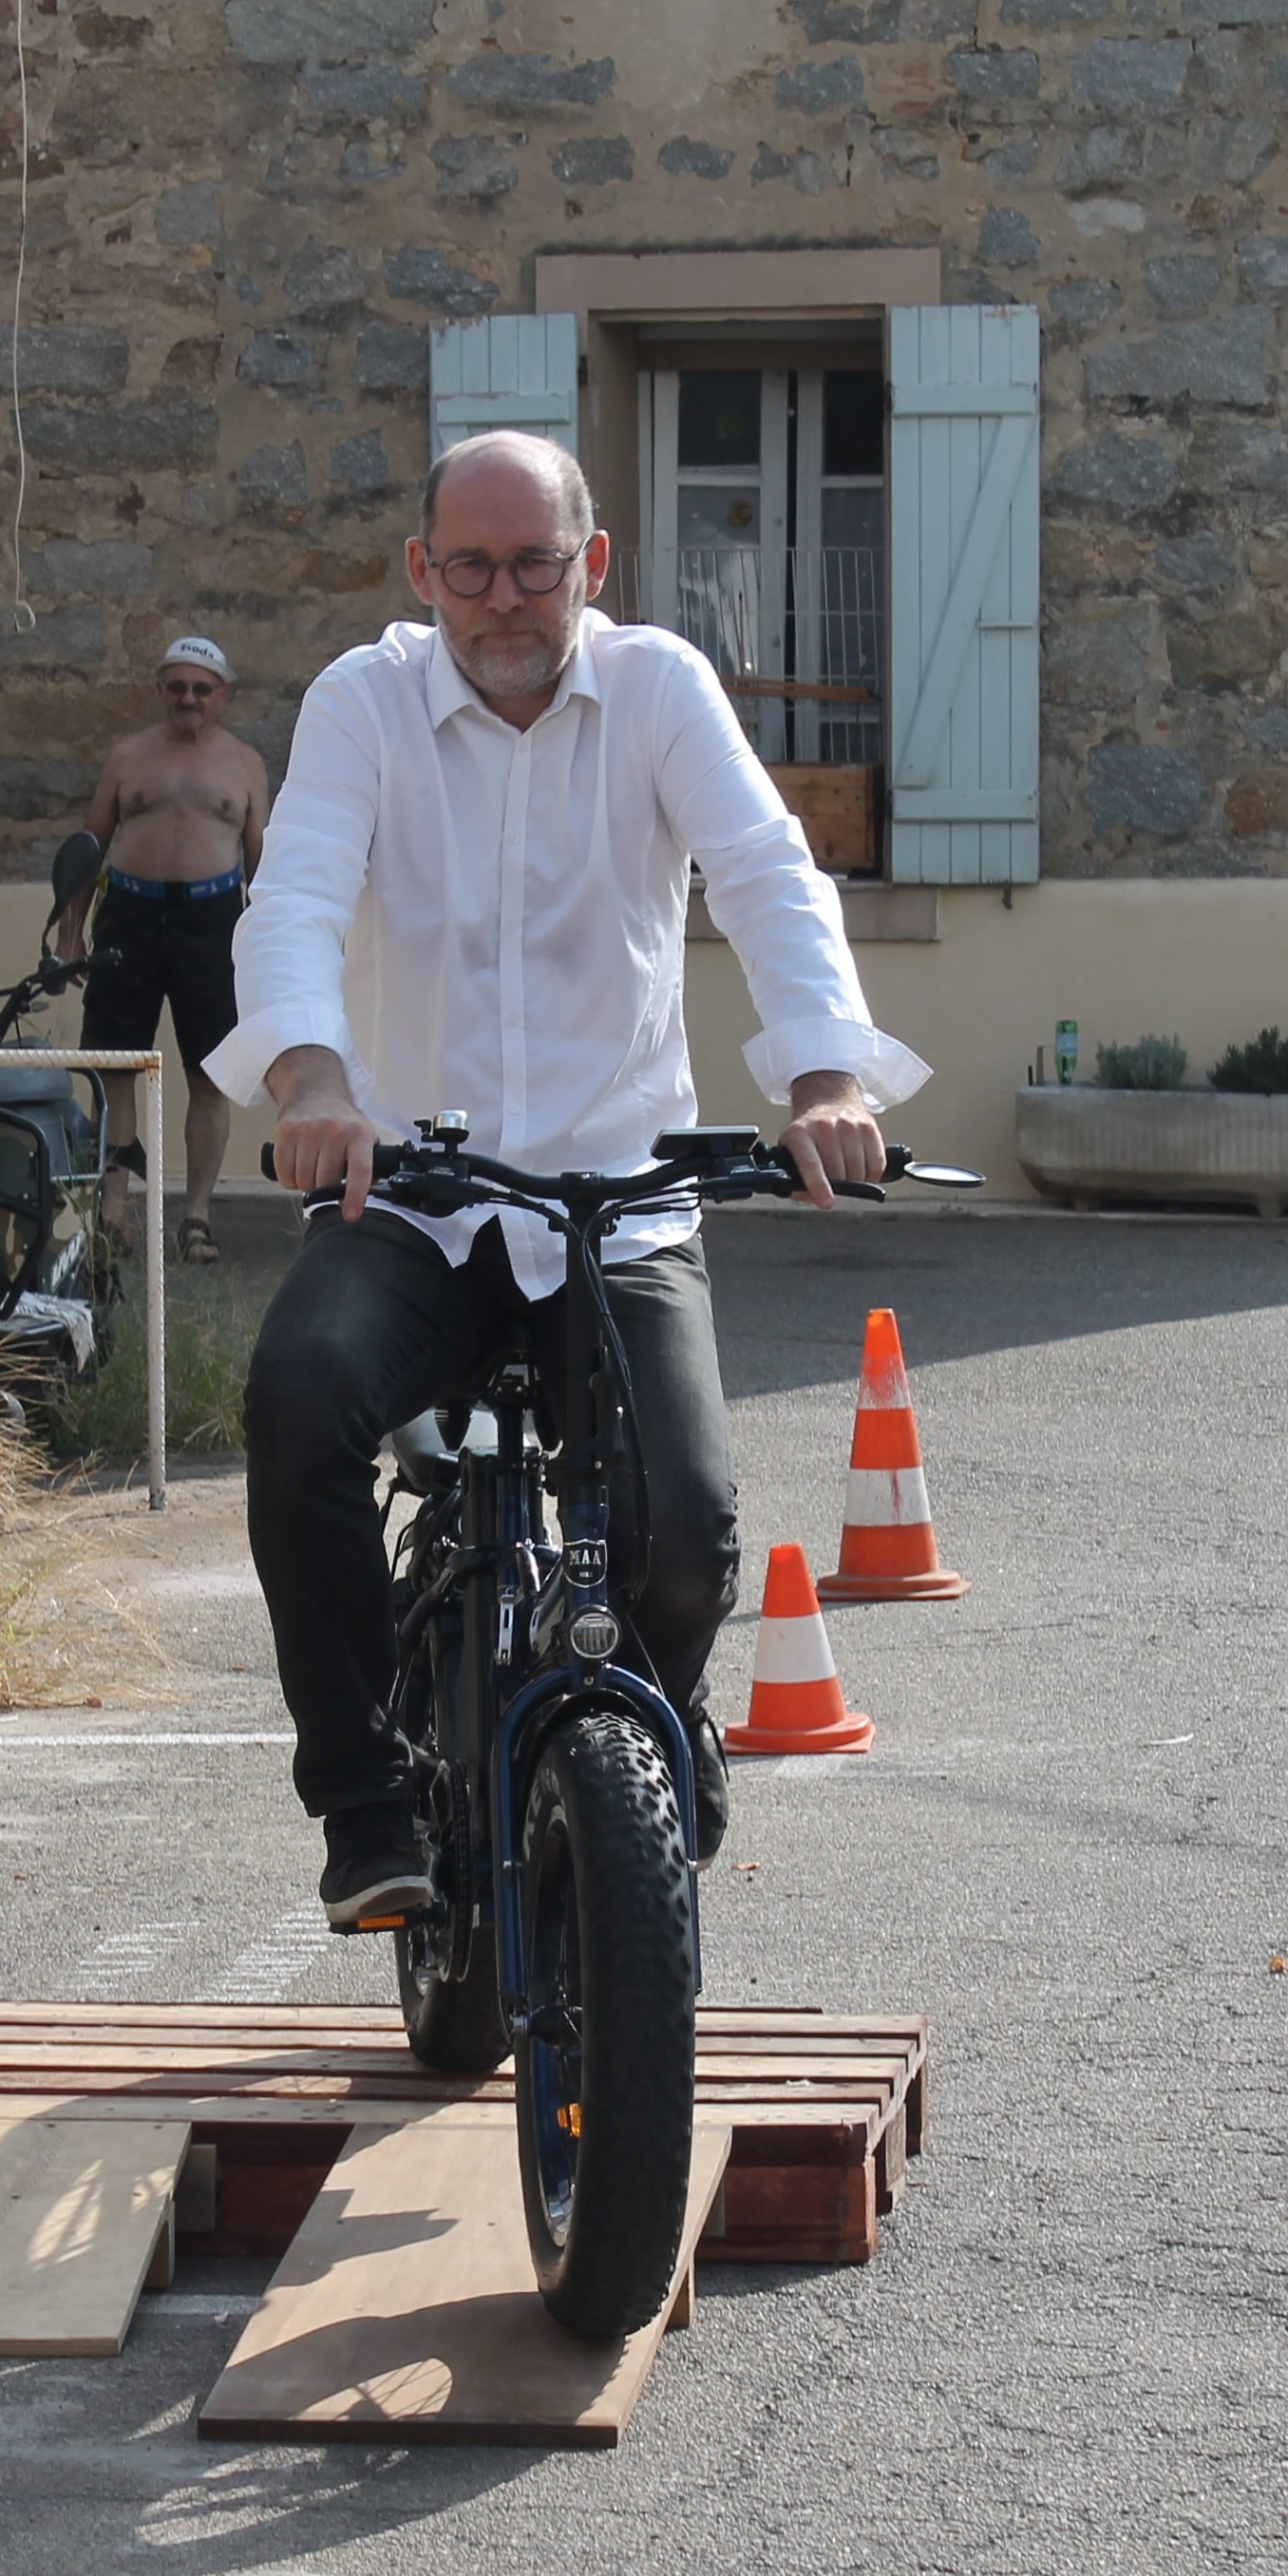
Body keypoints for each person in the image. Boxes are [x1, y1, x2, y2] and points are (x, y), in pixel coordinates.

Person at [202, 431, 931, 1931]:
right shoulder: (365, 701)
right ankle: (367, 1800)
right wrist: (314, 1084)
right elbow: (296, 900)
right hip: (410, 1195)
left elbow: (767, 870)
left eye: (537, 564)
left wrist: (823, 1080)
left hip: (618, 1196)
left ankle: (662, 1722)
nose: (505, 599)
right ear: (424, 575)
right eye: (470, 568)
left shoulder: (659, 686)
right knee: (298, 1397)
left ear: (592, 567)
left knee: (687, 1537)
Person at [59, 636, 269, 1263]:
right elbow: (89, 845)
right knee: (115, 1067)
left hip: (212, 922)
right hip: (130, 914)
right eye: (177, 686)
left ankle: (196, 1218)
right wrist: (71, 932)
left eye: (202, 688)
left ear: (222, 695)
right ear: (160, 690)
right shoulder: (129, 757)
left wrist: (271, 950)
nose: (189, 698)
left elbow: (265, 865)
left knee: (210, 1074)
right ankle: (114, 1212)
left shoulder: (245, 764)